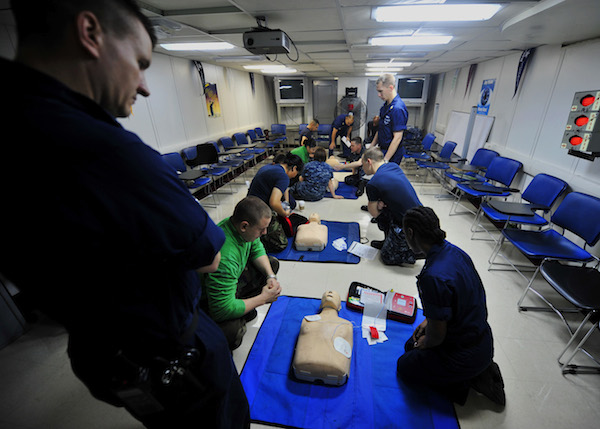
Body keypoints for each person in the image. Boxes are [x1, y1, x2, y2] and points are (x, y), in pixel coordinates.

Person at [1, 1, 249, 428]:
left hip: (100, 348)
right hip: (170, 350)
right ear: (89, 32)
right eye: (138, 62)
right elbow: (209, 252)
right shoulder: (102, 150)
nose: (145, 86)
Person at [397, 206, 505, 406]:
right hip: (482, 340)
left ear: (410, 233)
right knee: (414, 343)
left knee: (405, 363)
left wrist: (426, 342)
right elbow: (458, 299)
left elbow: (436, 338)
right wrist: (429, 320)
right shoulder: (455, 252)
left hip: (463, 354)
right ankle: (473, 370)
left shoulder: (432, 276)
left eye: (405, 234)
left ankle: (460, 382)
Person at [201, 197, 282, 350]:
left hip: (230, 283)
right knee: (233, 334)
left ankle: (241, 304)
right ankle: (238, 308)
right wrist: (263, 299)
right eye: (261, 229)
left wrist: (270, 276)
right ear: (244, 226)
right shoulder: (226, 258)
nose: (264, 233)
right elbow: (221, 310)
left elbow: (256, 248)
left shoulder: (238, 226)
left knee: (271, 265)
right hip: (208, 302)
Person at [362, 148, 422, 265]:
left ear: (369, 162)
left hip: (409, 225)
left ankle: (415, 253)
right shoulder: (393, 166)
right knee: (385, 211)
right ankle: (388, 241)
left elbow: (373, 212)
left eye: (363, 164)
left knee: (387, 257)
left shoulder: (373, 183)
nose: (362, 168)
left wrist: (379, 205)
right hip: (420, 216)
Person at [248, 152, 304, 252]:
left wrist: (286, 202)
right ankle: (256, 242)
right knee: (281, 244)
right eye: (297, 173)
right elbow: (274, 203)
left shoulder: (271, 167)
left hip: (249, 204)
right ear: (294, 168)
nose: (295, 176)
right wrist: (284, 213)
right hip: (258, 212)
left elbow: (284, 188)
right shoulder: (283, 176)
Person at [370, 74, 409, 165]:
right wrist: (371, 147)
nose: (379, 95)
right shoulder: (385, 106)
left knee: (386, 178)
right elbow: (380, 129)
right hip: (382, 149)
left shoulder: (398, 108)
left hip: (392, 153)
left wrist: (386, 160)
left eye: (381, 91)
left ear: (390, 88)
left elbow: (397, 137)